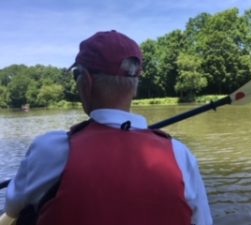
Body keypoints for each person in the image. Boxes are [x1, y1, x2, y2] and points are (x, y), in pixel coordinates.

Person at [4, 30, 213, 225]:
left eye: (77, 76)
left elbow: (11, 208)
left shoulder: (48, 150)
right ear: (135, 87)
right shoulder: (180, 155)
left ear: (86, 81)